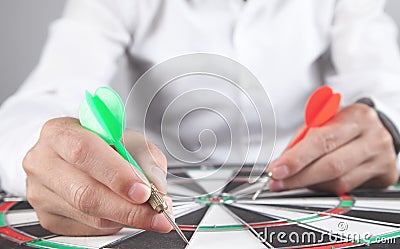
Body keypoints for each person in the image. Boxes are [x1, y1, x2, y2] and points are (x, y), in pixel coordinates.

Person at [0, 0, 400, 236]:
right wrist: (47, 151)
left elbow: (387, 87)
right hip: (158, 182)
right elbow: (45, 97)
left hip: (304, 188)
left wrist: (388, 128)